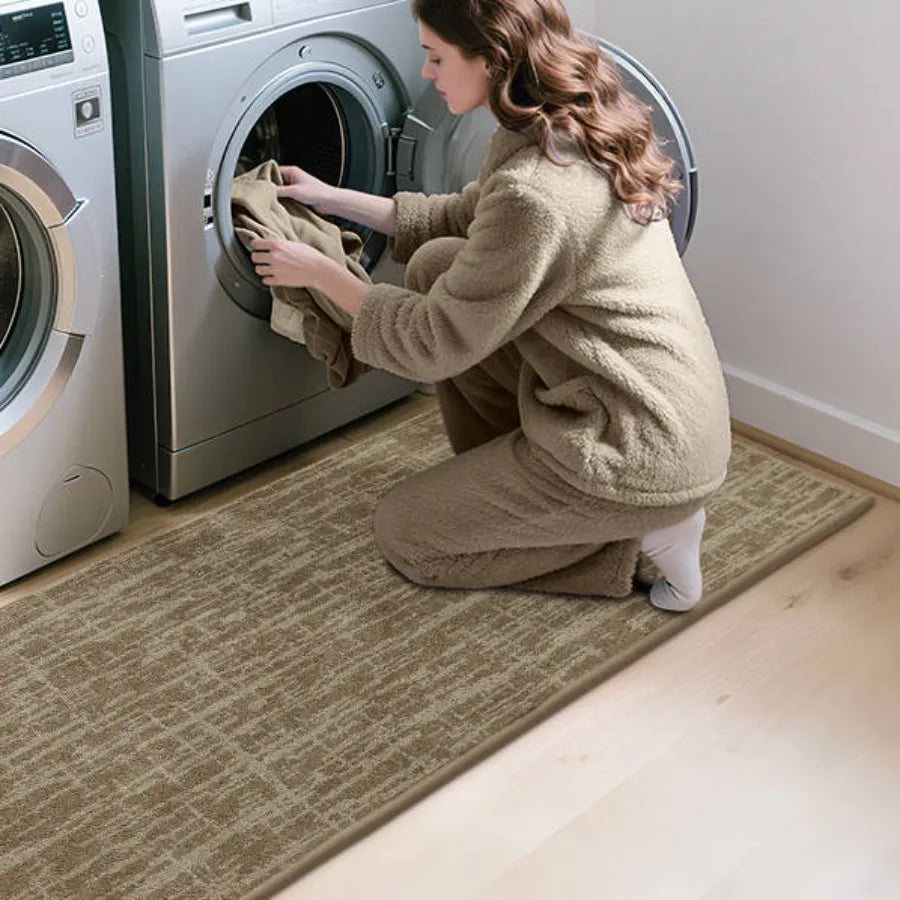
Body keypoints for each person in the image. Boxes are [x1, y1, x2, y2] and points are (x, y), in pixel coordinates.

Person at [249, 0, 732, 611]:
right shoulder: (555, 128)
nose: (426, 73)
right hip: (644, 403)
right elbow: (468, 219)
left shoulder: (538, 194)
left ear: (491, 60)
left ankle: (636, 536)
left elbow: (431, 342)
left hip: (634, 449)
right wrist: (332, 197)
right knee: (436, 264)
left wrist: (322, 273)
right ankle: (532, 495)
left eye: (435, 57)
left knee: (409, 536)